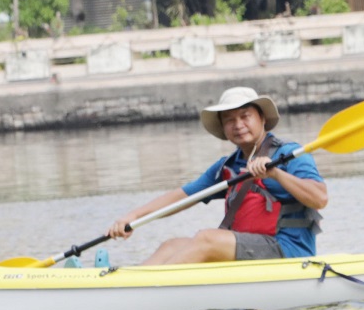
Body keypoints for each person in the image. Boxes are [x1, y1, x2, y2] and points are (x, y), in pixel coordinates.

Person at [108, 86, 328, 264]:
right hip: (249, 250)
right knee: (172, 246)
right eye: (230, 120)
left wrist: (276, 174)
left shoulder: (290, 154)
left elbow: (320, 198)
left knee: (207, 238)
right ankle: (127, 285)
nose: (238, 125)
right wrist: (133, 217)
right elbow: (184, 196)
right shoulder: (228, 166)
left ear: (261, 118)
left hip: (289, 252)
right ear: (223, 128)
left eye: (245, 116)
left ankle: (150, 292)